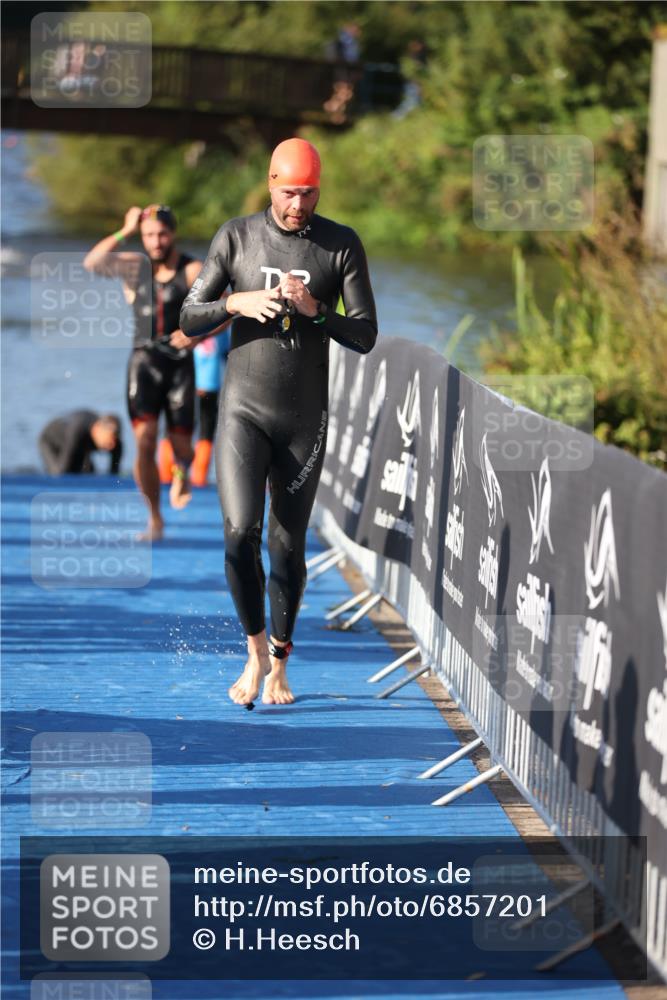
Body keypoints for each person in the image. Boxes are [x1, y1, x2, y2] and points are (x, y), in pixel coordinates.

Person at [179, 137, 378, 706]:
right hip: (243, 410)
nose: (299, 204)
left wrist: (317, 310)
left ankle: (282, 664)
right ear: (270, 183)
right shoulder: (236, 236)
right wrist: (236, 304)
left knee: (286, 546)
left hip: (303, 420)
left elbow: (365, 334)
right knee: (240, 535)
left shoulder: (340, 245)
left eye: (309, 193)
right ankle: (255, 649)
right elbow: (189, 317)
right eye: (290, 192)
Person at [83, 204, 228, 540]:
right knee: (144, 442)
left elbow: (228, 309)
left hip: (179, 365)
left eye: (162, 234)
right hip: (144, 364)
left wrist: (197, 336)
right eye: (149, 235)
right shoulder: (134, 267)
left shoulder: (192, 270)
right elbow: (92, 262)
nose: (156, 241)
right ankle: (155, 518)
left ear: (172, 234)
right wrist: (126, 229)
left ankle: (181, 470)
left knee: (183, 448)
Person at [39, 410, 122, 475]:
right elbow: (64, 470)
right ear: (97, 429)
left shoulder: (116, 444)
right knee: (59, 472)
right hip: (50, 441)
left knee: (89, 472)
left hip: (80, 445)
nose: (112, 446)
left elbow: (114, 475)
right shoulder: (78, 430)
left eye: (115, 441)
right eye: (108, 440)